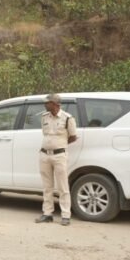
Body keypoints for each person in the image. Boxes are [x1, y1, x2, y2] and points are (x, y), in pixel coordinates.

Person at [35, 93, 78, 226]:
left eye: (47, 103)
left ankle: (65, 215)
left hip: (59, 155)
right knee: (47, 186)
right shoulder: (44, 117)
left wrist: (60, 145)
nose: (45, 105)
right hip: (44, 155)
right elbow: (45, 134)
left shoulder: (67, 118)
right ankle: (47, 213)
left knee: (62, 186)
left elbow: (73, 137)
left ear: (55, 104)